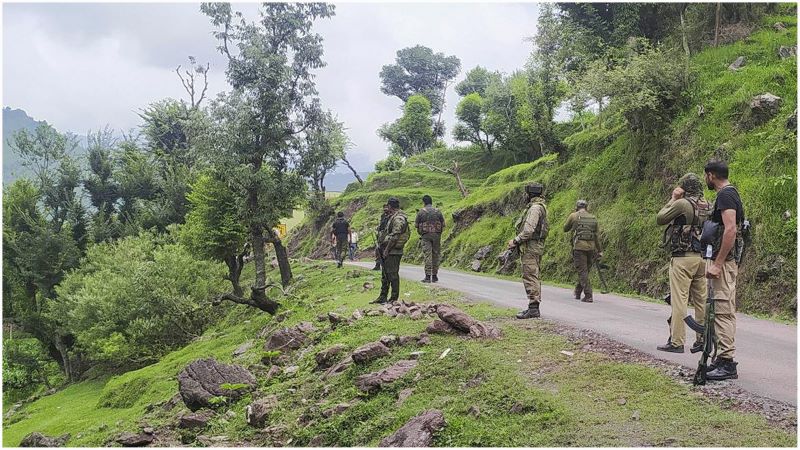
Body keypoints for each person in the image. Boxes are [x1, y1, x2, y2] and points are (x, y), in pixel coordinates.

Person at [655, 173, 710, 353]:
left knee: (680, 300)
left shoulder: (682, 204)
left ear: (684, 188)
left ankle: (677, 342)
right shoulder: (707, 205)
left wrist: (673, 198)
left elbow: (661, 218)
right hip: (703, 259)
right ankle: (702, 339)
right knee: (701, 301)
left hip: (683, 258)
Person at [703, 159, 745, 381]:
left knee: (723, 310)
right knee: (720, 310)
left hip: (725, 262)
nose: (705, 180)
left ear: (711, 175)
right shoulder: (727, 194)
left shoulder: (726, 195)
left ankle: (727, 362)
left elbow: (731, 230)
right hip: (725, 261)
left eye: (706, 176)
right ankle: (721, 358)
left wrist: (718, 263)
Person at [508, 183, 548, 319]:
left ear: (530, 194)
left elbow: (529, 230)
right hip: (534, 246)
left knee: (530, 275)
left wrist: (515, 240)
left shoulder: (535, 209)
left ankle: (533, 308)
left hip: (531, 247)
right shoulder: (539, 207)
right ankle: (533, 307)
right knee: (533, 275)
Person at [372, 197, 410, 304]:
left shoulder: (398, 218)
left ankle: (393, 298)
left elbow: (395, 236)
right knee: (385, 275)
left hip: (393, 251)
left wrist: (386, 250)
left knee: (392, 275)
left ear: (389, 206)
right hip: (388, 249)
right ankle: (383, 296)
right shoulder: (392, 217)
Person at [563, 199, 602, 303]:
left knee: (582, 271)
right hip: (591, 248)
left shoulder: (573, 216)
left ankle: (588, 295)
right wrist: (600, 250)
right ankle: (578, 291)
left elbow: (565, 228)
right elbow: (597, 236)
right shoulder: (593, 217)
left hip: (579, 248)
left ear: (577, 207)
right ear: (586, 207)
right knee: (585, 271)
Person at [415, 195, 445, 283]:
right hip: (437, 236)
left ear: (424, 202)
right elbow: (443, 224)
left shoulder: (421, 212)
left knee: (428, 255)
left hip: (425, 236)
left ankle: (428, 277)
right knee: (436, 255)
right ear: (431, 202)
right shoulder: (438, 211)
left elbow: (416, 225)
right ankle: (435, 276)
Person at [373, 203, 391, 270]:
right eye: (384, 207)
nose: (385, 209)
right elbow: (381, 225)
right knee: (378, 249)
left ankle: (386, 265)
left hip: (388, 235)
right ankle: (377, 264)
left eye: (386, 207)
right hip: (381, 235)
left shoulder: (391, 216)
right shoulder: (383, 216)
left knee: (386, 250)